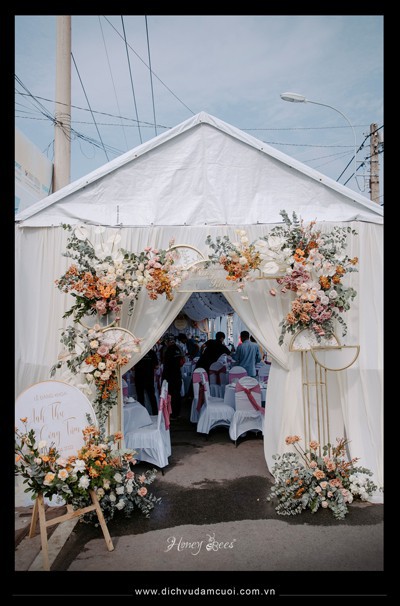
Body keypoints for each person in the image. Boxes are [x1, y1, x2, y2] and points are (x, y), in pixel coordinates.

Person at [161, 336, 183, 419]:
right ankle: (177, 413)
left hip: (170, 375)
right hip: (177, 374)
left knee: (171, 394)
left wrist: (164, 378)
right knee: (177, 394)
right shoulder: (178, 349)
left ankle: (172, 413)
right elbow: (182, 361)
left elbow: (166, 363)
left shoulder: (168, 350)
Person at [134, 348, 159, 415]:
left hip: (139, 378)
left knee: (140, 397)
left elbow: (132, 368)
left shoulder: (137, 353)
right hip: (149, 377)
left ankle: (142, 414)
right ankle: (155, 413)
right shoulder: (152, 352)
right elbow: (156, 366)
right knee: (151, 397)